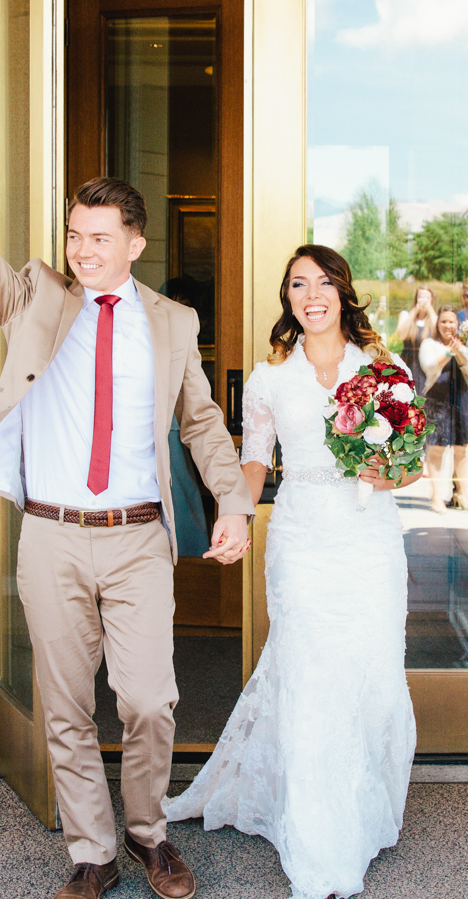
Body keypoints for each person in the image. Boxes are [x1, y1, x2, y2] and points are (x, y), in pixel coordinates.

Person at [0, 110, 255, 899]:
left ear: (136, 243)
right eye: (76, 233)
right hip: (51, 536)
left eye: (99, 237)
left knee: (149, 701)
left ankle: (149, 834)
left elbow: (203, 421)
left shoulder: (174, 322)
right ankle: (92, 848)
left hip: (138, 536)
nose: (83, 248)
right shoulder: (37, 298)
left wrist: (233, 503)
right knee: (67, 705)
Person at [165, 244, 419, 899]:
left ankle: (362, 809)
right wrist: (237, 514)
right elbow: (254, 462)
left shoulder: (383, 369)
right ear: (288, 299)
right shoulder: (270, 378)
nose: (311, 294)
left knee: (370, 675)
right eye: (297, 284)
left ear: (343, 291)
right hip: (303, 537)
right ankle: (321, 841)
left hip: (368, 539)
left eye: (323, 282)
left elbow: (411, 462)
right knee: (310, 677)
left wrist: (384, 468)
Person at [419, 306, 468, 513]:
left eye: (451, 321)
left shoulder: (463, 345)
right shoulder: (429, 344)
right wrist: (447, 353)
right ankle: (436, 496)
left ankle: (461, 492)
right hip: (438, 399)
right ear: (438, 324)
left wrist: (459, 352)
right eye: (443, 321)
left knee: (461, 449)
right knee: (436, 449)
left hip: (460, 398)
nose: (448, 326)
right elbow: (430, 367)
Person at [394, 286, 434, 395]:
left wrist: (430, 310)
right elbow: (401, 334)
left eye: (427, 298)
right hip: (408, 361)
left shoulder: (434, 319)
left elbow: (438, 335)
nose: (423, 300)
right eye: (421, 297)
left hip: (426, 365)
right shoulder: (406, 315)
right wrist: (415, 310)